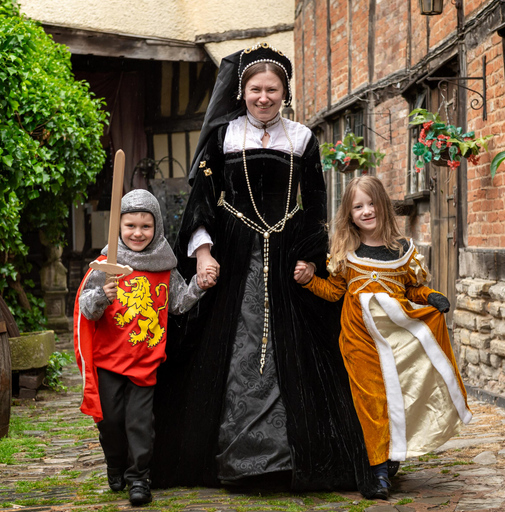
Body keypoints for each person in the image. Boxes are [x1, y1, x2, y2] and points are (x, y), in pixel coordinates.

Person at [151, 43, 380, 498]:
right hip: (233, 256)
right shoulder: (222, 137)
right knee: (231, 350)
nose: (263, 97)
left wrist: (312, 259)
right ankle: (231, 457)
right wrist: (203, 253)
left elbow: (315, 204)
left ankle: (289, 458)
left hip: (287, 251)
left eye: (271, 89)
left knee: (293, 352)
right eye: (255, 88)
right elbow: (201, 200)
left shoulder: (302, 140)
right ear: (243, 91)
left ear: (284, 92)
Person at [293, 176, 473, 500]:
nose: (366, 211)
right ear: (349, 214)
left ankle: (393, 455)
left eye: (371, 203)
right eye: (357, 206)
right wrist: (309, 280)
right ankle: (377, 472)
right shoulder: (346, 252)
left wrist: (430, 297)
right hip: (358, 339)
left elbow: (411, 289)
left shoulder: (403, 250)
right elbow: (335, 292)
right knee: (371, 400)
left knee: (399, 397)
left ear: (383, 206)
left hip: (397, 337)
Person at [73, 189, 214, 506]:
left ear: (158, 227)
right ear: (119, 228)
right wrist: (102, 297)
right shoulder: (105, 265)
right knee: (110, 421)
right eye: (130, 226)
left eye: (145, 226)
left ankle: (139, 478)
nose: (138, 233)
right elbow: (87, 309)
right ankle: (115, 462)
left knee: (139, 424)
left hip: (145, 361)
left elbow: (176, 304)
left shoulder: (164, 266)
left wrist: (198, 286)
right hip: (109, 360)